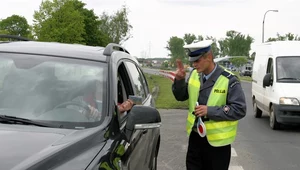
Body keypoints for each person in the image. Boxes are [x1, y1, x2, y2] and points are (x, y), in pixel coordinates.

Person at [172, 40, 247, 170]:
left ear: (209, 57)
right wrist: (179, 80)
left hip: (217, 145)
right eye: (192, 62)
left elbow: (239, 109)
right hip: (195, 139)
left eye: (197, 61)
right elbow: (181, 96)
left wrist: (210, 111)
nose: (194, 65)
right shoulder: (194, 75)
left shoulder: (229, 80)